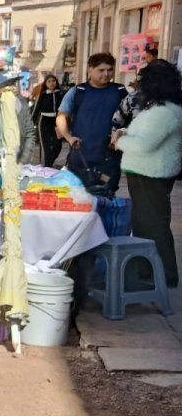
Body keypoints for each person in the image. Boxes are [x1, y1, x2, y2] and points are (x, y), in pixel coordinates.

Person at [113, 59, 182, 287]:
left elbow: (144, 145)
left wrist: (120, 141)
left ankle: (163, 276)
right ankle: (150, 273)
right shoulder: (160, 107)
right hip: (145, 173)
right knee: (144, 225)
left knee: (153, 226)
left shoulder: (166, 112)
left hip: (152, 175)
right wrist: (125, 133)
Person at [57, 52, 126, 195]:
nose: (106, 74)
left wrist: (122, 133)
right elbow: (61, 117)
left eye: (110, 70)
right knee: (79, 200)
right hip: (81, 157)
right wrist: (69, 138)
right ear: (90, 69)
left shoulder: (120, 92)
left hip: (109, 159)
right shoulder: (78, 91)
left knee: (106, 196)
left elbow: (132, 119)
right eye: (101, 70)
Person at [0, 72, 36, 165]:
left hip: (16, 162)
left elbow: (30, 133)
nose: (12, 88)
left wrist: (23, 161)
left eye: (13, 84)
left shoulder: (20, 104)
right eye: (7, 85)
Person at [31, 73, 65, 166]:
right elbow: (36, 110)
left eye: (53, 81)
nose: (51, 83)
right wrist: (31, 124)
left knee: (57, 145)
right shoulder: (42, 95)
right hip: (44, 122)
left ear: (56, 82)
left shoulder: (61, 94)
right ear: (45, 83)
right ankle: (46, 167)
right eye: (49, 81)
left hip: (57, 122)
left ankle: (50, 162)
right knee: (45, 146)